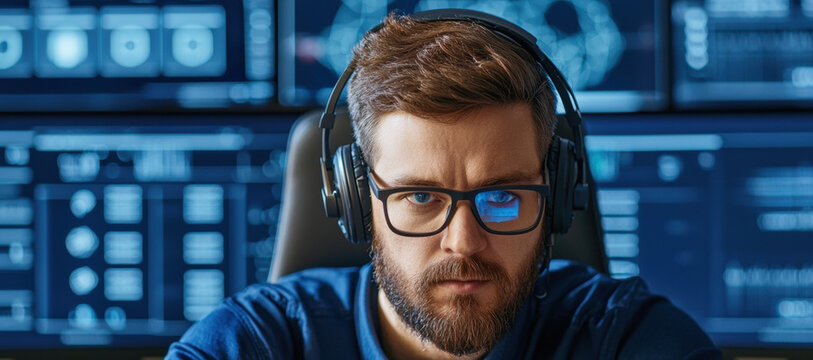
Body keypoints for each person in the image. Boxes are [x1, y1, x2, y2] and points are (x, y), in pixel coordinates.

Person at [166, 11, 721, 360]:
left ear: (554, 196)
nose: (463, 242)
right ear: (359, 202)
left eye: (502, 195)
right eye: (421, 196)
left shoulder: (627, 338)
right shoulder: (252, 343)